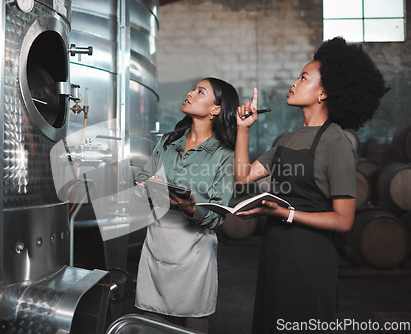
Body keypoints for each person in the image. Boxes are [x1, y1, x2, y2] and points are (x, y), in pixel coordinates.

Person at [234, 37, 389, 333]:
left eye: (303, 77)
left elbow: (343, 220)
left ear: (323, 92)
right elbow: (243, 176)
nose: (294, 82)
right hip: (276, 251)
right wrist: (244, 131)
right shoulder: (287, 140)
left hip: (310, 257)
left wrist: (286, 214)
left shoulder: (337, 143)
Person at [134, 77, 239, 332]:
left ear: (216, 109)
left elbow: (218, 213)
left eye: (200, 91)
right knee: (151, 321)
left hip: (194, 251)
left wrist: (191, 208)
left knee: (193, 319)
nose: (190, 93)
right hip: (156, 242)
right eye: (193, 89)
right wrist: (149, 189)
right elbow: (142, 179)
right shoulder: (168, 142)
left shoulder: (224, 154)